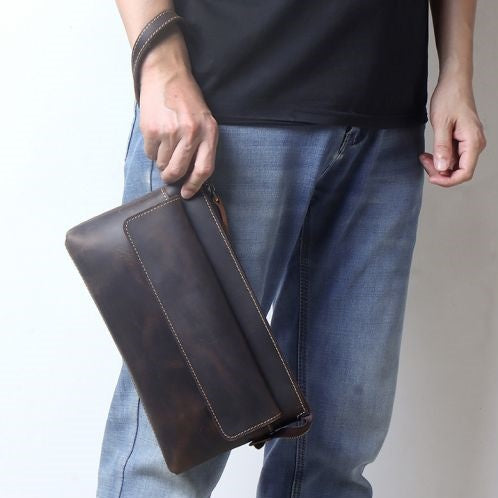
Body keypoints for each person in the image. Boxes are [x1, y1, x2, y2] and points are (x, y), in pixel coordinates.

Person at [96, 0, 487, 497]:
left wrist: (457, 70)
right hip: (223, 110)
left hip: (384, 125)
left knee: (336, 456)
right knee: (171, 450)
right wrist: (158, 61)